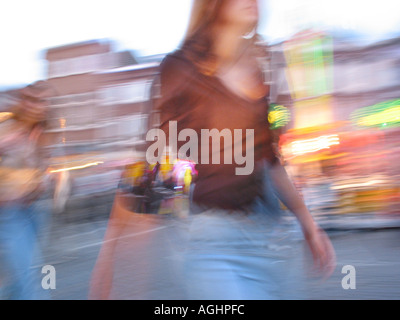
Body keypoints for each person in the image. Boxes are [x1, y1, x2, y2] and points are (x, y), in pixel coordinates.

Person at [89, 0, 336, 300]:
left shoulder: (258, 72)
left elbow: (270, 161)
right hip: (209, 241)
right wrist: (109, 254)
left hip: (266, 239)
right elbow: (151, 165)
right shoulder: (180, 69)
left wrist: (309, 224)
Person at [0, 81, 53, 300]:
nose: (34, 106)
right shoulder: (7, 128)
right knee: (32, 276)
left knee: (20, 275)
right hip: (8, 212)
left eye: (40, 101)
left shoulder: (40, 133)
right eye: (29, 100)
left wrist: (41, 178)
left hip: (33, 209)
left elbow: (41, 168)